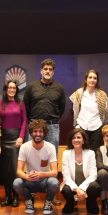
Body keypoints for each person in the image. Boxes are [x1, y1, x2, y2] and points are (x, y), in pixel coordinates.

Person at [24, 58, 65, 206]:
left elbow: (61, 108)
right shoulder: (31, 87)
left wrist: (51, 120)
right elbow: (27, 106)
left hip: (53, 126)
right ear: (41, 71)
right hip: (35, 125)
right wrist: (34, 122)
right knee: (31, 156)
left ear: (53, 72)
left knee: (52, 157)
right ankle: (32, 190)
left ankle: (52, 193)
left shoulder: (59, 88)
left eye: (50, 69)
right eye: (45, 69)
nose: (48, 71)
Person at [13, 119, 59, 215]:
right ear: (31, 133)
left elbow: (54, 172)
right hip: (30, 180)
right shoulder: (24, 147)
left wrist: (40, 175)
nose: (38, 134)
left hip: (44, 181)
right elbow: (19, 171)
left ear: (44, 133)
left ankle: (48, 202)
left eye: (40, 131)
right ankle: (29, 200)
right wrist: (28, 177)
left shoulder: (50, 147)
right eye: (35, 131)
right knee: (16, 183)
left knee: (54, 182)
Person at [0, 80, 27, 207]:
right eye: (9, 87)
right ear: (6, 89)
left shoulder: (21, 104)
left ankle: (16, 196)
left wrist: (21, 137)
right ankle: (7, 196)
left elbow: (25, 121)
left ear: (16, 90)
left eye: (14, 88)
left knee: (15, 169)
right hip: (3, 139)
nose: (11, 90)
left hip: (16, 139)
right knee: (5, 169)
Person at [61, 128, 101, 215]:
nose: (76, 140)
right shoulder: (66, 154)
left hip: (86, 185)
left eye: (78, 137)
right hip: (72, 185)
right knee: (66, 190)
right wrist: (76, 189)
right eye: (73, 138)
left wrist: (82, 188)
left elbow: (93, 175)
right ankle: (70, 203)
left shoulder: (90, 153)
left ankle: (91, 204)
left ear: (83, 140)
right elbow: (66, 176)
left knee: (95, 186)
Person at [69, 69, 108, 151]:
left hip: (97, 128)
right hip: (81, 127)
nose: (92, 80)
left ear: (97, 80)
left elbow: (107, 110)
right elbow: (73, 110)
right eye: (90, 77)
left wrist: (101, 123)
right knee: (82, 153)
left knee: (95, 154)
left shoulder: (102, 94)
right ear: (86, 79)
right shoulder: (79, 93)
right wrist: (78, 124)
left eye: (95, 78)